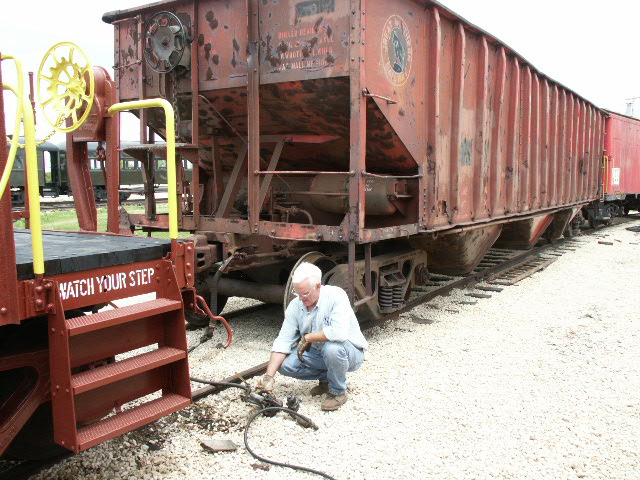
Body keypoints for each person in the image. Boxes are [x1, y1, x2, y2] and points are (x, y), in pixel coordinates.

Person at [257, 262, 368, 411]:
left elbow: (339, 333)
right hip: (319, 352)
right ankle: (326, 380)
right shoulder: (295, 305)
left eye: (305, 294)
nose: (301, 298)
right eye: (297, 293)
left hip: (349, 352)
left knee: (332, 348)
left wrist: (309, 337)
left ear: (318, 286)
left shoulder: (336, 296)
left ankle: (338, 392)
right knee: (284, 365)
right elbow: (283, 340)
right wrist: (268, 377)